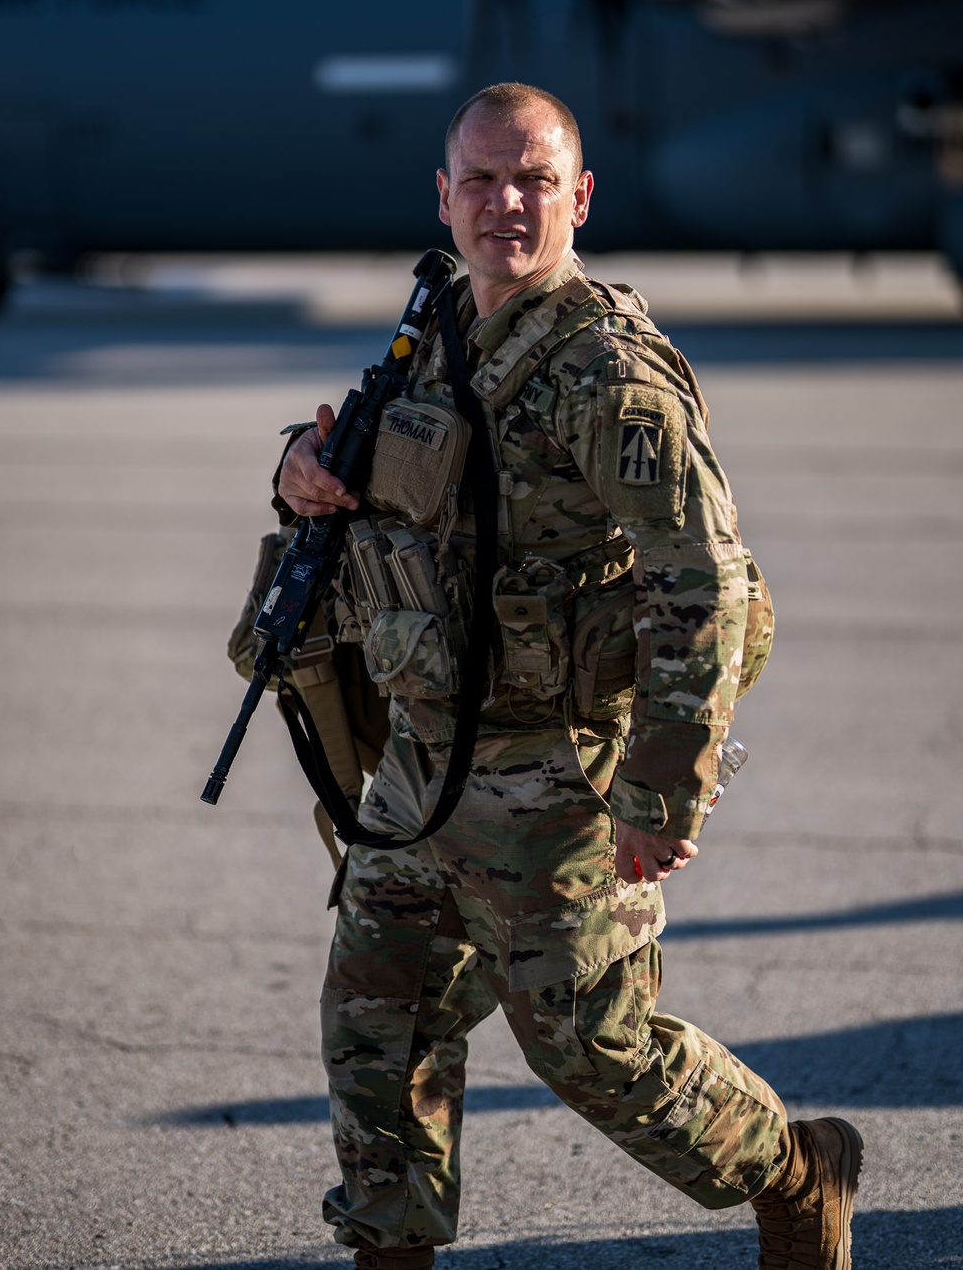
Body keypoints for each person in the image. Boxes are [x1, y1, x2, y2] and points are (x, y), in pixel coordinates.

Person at [277, 83, 862, 1269]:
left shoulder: (606, 371)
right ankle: (390, 1248)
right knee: (374, 1016)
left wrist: (663, 784)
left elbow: (704, 578)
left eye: (533, 179)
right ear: (442, 195)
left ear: (578, 196)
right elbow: (388, 480)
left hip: (557, 778)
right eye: (481, 179)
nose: (505, 202)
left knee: (594, 1048)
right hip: (421, 762)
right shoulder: (433, 328)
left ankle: (795, 1168)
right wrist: (298, 465)